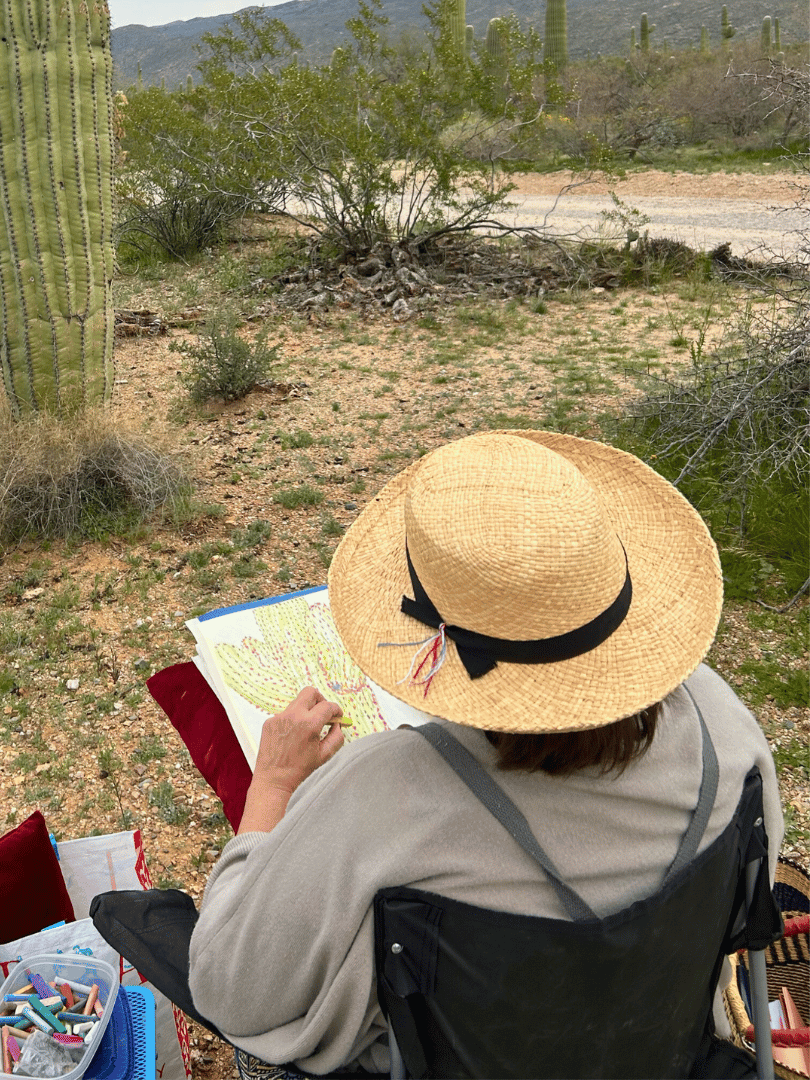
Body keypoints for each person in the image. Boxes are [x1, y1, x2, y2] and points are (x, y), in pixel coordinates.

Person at [186, 429, 783, 1076]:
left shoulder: (383, 796)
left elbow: (229, 990)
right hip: (668, 1052)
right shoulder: (726, 729)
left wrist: (272, 782)